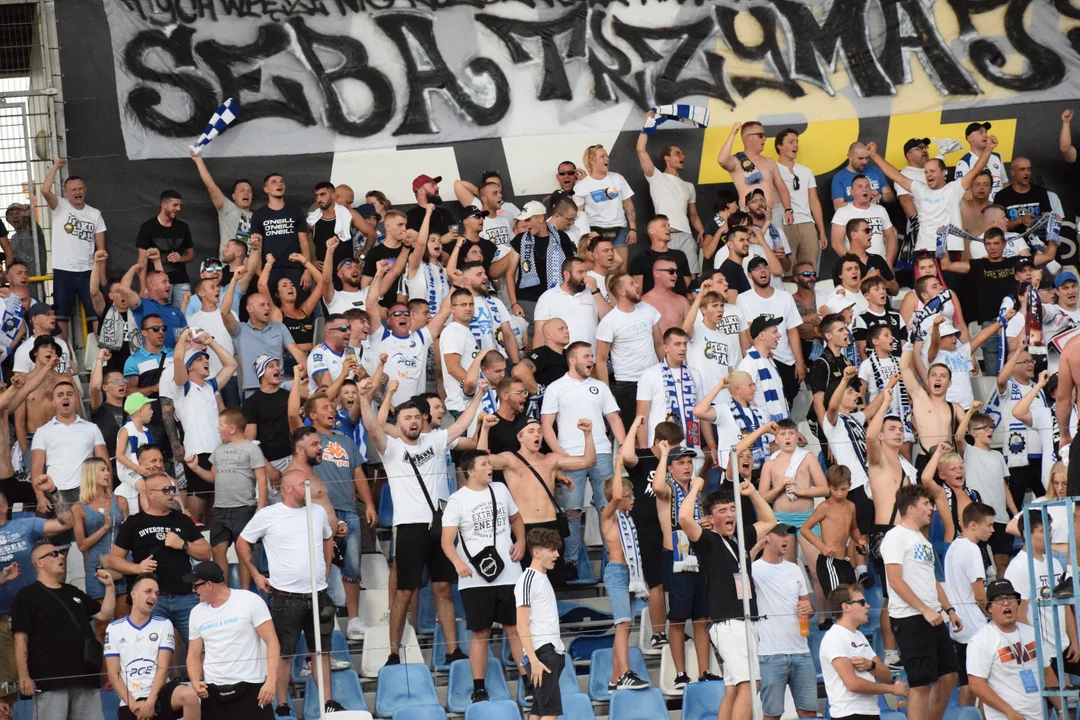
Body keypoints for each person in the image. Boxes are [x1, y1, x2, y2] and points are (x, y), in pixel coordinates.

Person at [358, 380, 485, 665]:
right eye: (407, 417)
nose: (413, 421)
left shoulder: (436, 439)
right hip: (409, 526)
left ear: (423, 419)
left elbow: (462, 424)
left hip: (440, 526)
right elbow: (371, 427)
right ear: (398, 423)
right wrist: (366, 399)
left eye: (417, 416)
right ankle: (393, 652)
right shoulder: (390, 448)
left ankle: (452, 651)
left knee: (443, 588)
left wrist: (479, 396)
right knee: (404, 591)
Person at [237, 468, 341, 714]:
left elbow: (328, 538)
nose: (308, 488)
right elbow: (242, 541)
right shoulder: (268, 515)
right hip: (285, 597)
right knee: (284, 653)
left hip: (319, 595)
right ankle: (283, 704)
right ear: (286, 489)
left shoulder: (317, 512)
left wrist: (326, 568)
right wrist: (255, 574)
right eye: (301, 484)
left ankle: (327, 703)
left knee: (322, 651)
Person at [678, 477, 777, 720]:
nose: (730, 514)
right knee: (749, 684)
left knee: (733, 687)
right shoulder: (707, 540)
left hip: (744, 620)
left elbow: (770, 521)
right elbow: (684, 519)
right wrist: (695, 490)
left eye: (732, 509)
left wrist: (753, 493)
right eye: (722, 511)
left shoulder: (740, 538)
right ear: (711, 519)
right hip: (728, 621)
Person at [441, 447, 529, 703]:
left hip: (510, 573)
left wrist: (521, 540)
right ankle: (478, 687)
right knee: (480, 632)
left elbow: (516, 518)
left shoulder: (500, 490)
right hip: (475, 578)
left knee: (516, 628)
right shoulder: (457, 500)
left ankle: (528, 680)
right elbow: (447, 541)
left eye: (490, 464)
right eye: (484, 465)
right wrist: (458, 564)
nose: (490, 468)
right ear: (470, 470)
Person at [541, 341, 625, 576]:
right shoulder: (555, 388)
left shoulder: (600, 386)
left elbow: (614, 419)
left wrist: (626, 446)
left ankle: (614, 560)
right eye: (586, 356)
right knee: (571, 511)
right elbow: (546, 423)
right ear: (572, 359)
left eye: (591, 356)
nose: (591, 360)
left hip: (602, 453)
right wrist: (559, 453)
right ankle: (571, 563)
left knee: (608, 508)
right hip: (570, 455)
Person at [483, 417, 595, 588]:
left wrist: (587, 434)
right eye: (531, 431)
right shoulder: (510, 459)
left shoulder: (550, 459)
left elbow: (588, 461)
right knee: (524, 585)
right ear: (520, 437)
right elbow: (482, 460)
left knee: (553, 584)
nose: (537, 434)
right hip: (523, 528)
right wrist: (484, 430)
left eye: (539, 431)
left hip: (550, 527)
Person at [880, 485, 961, 720]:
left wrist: (950, 609)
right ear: (911, 508)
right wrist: (924, 610)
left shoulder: (922, 540)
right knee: (920, 683)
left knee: (949, 675)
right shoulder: (895, 536)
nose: (931, 509)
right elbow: (894, 581)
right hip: (910, 618)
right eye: (926, 504)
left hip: (932, 614)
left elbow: (932, 580)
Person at [13, 541, 115, 720]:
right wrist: (24, 676)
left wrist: (110, 586)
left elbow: (104, 614)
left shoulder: (72, 591)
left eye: (60, 553)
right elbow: (20, 638)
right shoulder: (26, 595)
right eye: (53, 554)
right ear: (39, 563)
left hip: (85, 677)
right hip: (50, 681)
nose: (61, 556)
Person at [110, 473, 211, 646]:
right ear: (150, 493)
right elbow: (113, 560)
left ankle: (194, 675)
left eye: (172, 489)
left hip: (185, 595)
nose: (172, 494)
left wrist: (183, 545)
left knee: (200, 647)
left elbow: (206, 552)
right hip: (151, 597)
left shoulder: (182, 520)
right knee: (152, 650)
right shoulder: (134, 523)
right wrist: (137, 569)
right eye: (166, 490)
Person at [867, 137, 996, 254]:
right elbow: (895, 175)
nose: (928, 174)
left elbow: (975, 170)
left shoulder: (954, 188)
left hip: (949, 247)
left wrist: (988, 149)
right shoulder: (920, 189)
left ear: (943, 172)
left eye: (933, 171)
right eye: (926, 172)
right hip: (924, 248)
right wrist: (873, 154)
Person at [186, 561, 279, 720]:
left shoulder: (250, 600)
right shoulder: (196, 613)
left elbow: (272, 642)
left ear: (209, 584)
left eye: (195, 586)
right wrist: (195, 681)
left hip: (250, 687)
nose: (193, 591)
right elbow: (193, 654)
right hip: (213, 692)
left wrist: (271, 681)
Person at [186, 408, 266, 591]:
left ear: (232, 428)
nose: (217, 428)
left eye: (220, 424)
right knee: (218, 550)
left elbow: (262, 478)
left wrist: (261, 506)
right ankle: (224, 590)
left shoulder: (251, 449)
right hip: (220, 508)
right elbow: (213, 477)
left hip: (243, 507)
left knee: (243, 551)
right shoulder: (219, 449)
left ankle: (245, 592)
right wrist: (196, 468)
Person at [652, 444, 712, 689]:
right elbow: (656, 486)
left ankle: (704, 671)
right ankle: (680, 674)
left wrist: (705, 523)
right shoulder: (668, 488)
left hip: (698, 557)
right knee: (677, 618)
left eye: (689, 462)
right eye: (681, 462)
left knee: (701, 618)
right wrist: (664, 454)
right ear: (670, 468)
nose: (687, 466)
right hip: (675, 559)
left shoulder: (694, 491)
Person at [620, 420, 682, 652]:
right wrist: (635, 423)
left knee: (675, 579)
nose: (675, 451)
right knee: (656, 581)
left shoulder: (676, 461)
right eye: (672, 446)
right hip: (646, 528)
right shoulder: (644, 456)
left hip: (672, 526)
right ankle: (658, 633)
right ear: (660, 442)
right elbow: (626, 454)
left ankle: (676, 630)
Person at [105, 573, 201, 720]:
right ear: (134, 594)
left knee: (189, 695)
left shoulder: (163, 624)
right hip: (130, 699)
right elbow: (113, 674)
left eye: (156, 593)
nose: (154, 597)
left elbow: (163, 668)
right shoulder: (114, 628)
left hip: (160, 693)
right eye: (148, 591)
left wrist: (150, 702)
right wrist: (133, 704)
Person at [598, 434, 652, 691]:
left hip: (631, 574)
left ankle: (614, 678)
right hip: (617, 572)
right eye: (628, 496)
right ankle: (625, 674)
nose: (632, 499)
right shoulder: (608, 515)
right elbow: (617, 495)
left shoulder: (629, 520)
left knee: (625, 626)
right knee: (622, 625)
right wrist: (618, 464)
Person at [967, 578, 1061, 720]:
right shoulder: (980, 641)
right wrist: (1009, 712)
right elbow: (976, 684)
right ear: (989, 608)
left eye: (1010, 598)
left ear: (1017, 604)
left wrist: (1061, 710)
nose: (1006, 602)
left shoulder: (1032, 633)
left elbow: (1047, 673)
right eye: (998, 599)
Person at [1003, 510, 1079, 681]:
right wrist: (1035, 649)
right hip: (1042, 649)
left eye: (1050, 529)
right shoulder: (1018, 568)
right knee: (1050, 703)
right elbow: (1019, 616)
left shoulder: (1053, 563)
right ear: (1025, 534)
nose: (1049, 535)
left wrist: (1074, 640)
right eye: (1043, 531)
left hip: (1063, 645)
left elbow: (1065, 605)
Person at [753, 522, 818, 720]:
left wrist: (809, 609)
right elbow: (736, 568)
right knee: (772, 714)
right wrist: (756, 546)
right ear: (766, 538)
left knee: (809, 712)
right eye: (780, 534)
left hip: (801, 650)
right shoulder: (753, 569)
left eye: (787, 534)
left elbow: (808, 607)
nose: (786, 538)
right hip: (770, 653)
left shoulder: (794, 569)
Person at [819, 584, 909, 719]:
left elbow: (887, 676)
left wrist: (871, 665)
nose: (867, 606)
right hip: (848, 714)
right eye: (861, 602)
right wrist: (891, 689)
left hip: (870, 711)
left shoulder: (859, 636)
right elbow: (853, 684)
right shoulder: (835, 637)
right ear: (846, 607)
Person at [40, 158, 105, 338]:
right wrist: (55, 167)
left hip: (88, 271)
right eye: (73, 189)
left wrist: (102, 276)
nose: (77, 192)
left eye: (80, 189)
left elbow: (101, 251)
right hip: (63, 270)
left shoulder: (94, 214)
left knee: (97, 314)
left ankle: (102, 356)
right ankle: (64, 358)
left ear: (85, 190)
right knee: (60, 317)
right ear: (66, 192)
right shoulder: (61, 206)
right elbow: (45, 190)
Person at [30, 380, 109, 522]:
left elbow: (105, 463)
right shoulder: (42, 432)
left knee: (89, 537)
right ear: (53, 402)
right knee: (61, 542)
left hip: (87, 490)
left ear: (76, 399)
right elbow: (36, 470)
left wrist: (107, 493)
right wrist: (40, 497)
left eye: (69, 394)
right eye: (60, 395)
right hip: (54, 492)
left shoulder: (92, 428)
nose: (65, 398)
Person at [636, 113, 705, 273]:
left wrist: (701, 230)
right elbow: (640, 150)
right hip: (665, 236)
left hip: (687, 236)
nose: (683, 156)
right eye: (678, 153)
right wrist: (647, 124)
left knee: (691, 276)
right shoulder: (656, 177)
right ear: (667, 158)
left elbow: (693, 215)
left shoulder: (689, 186)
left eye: (682, 154)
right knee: (666, 277)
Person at [222, 270, 307, 397]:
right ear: (250, 309)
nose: (268, 308)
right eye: (262, 305)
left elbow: (297, 352)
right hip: (254, 389)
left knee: (309, 388)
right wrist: (234, 281)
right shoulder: (240, 329)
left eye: (268, 304)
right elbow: (224, 312)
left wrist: (305, 374)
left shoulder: (279, 327)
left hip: (280, 385)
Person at [943, 501, 995, 707]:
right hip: (976, 627)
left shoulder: (953, 547)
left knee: (965, 684)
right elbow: (980, 595)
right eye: (989, 525)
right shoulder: (972, 550)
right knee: (985, 685)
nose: (992, 529)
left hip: (960, 628)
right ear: (973, 525)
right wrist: (991, 615)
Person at [736, 256, 805, 407]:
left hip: (786, 361)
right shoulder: (743, 299)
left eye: (765, 267)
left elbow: (792, 331)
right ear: (749, 275)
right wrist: (762, 351)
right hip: (763, 360)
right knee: (766, 405)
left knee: (787, 405)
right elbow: (749, 331)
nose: (762, 271)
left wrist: (799, 362)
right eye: (756, 268)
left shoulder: (785, 297)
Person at [595, 272, 661, 428]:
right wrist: (607, 395)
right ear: (622, 292)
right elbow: (601, 359)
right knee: (634, 432)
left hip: (654, 378)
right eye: (632, 283)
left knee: (658, 428)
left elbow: (659, 343)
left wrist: (666, 372)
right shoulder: (609, 321)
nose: (637, 285)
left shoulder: (648, 310)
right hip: (628, 384)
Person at [515, 527, 566, 720]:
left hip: (548, 652)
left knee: (539, 711)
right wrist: (534, 660)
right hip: (542, 653)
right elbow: (521, 624)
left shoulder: (541, 578)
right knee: (549, 714)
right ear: (537, 553)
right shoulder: (527, 580)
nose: (556, 554)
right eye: (552, 550)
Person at [636, 327, 704, 465]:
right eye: (677, 344)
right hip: (661, 450)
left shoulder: (695, 374)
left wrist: (711, 444)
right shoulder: (650, 374)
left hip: (691, 449)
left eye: (685, 344)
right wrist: (644, 451)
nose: (683, 348)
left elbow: (702, 412)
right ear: (666, 348)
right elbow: (641, 417)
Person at [73, 458, 128, 626]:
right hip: (97, 569)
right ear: (91, 474)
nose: (107, 473)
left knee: (123, 623)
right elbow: (82, 545)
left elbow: (128, 534)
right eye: (102, 470)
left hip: (122, 565)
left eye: (108, 470)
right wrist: (104, 527)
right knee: (101, 627)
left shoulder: (120, 501)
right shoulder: (78, 507)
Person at [500, 201, 578, 319]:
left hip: (557, 298)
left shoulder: (561, 237)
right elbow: (510, 274)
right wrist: (514, 303)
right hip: (528, 301)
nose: (524, 224)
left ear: (540, 218)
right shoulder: (520, 239)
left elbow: (571, 269)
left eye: (528, 220)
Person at [802, 466, 866, 603]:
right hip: (829, 561)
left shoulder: (851, 506)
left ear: (850, 485)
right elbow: (805, 529)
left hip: (845, 561)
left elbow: (853, 528)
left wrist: (860, 540)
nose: (839, 494)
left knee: (853, 601)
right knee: (840, 603)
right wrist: (822, 546)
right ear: (829, 486)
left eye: (843, 489)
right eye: (834, 489)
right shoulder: (825, 507)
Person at [681, 278, 749, 396]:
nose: (720, 310)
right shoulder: (697, 329)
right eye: (715, 306)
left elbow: (729, 371)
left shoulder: (726, 338)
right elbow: (685, 330)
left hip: (724, 398)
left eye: (722, 306)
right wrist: (700, 295)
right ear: (703, 310)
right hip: (701, 396)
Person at [249, 172, 312, 297]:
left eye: (281, 181)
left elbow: (304, 242)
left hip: (295, 269)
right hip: (271, 269)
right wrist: (260, 274)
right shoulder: (259, 215)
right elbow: (256, 247)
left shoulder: (295, 211)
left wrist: (307, 270)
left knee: (299, 309)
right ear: (266, 189)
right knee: (272, 312)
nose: (279, 184)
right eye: (274, 182)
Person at [573, 144, 636, 266]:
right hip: (595, 230)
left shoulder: (618, 178)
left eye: (607, 156)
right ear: (592, 160)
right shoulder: (581, 186)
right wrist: (585, 237)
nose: (607, 159)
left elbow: (629, 205)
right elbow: (579, 215)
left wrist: (633, 228)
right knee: (599, 268)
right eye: (602, 156)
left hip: (619, 229)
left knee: (621, 269)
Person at [773, 128, 828, 269]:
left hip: (807, 224)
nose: (796, 145)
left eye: (797, 142)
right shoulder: (772, 169)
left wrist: (821, 231)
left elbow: (814, 201)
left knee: (809, 270)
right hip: (784, 224)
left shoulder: (806, 171)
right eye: (791, 142)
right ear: (779, 146)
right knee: (786, 270)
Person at [717, 121, 791, 216]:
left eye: (764, 135)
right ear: (747, 138)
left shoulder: (770, 162)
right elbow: (722, 160)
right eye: (760, 135)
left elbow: (781, 187)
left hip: (774, 211)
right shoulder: (737, 161)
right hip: (750, 214)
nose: (764, 139)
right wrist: (733, 133)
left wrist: (788, 209)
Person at [137, 190, 195, 308]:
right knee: (160, 317)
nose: (178, 209)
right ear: (163, 205)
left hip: (181, 280)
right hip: (157, 283)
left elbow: (191, 255)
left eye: (179, 205)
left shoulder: (183, 227)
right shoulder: (148, 227)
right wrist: (143, 287)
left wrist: (181, 258)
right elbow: (142, 261)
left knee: (183, 316)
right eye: (175, 205)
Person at [190, 149, 252, 253]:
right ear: (233, 196)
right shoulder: (228, 208)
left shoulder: (259, 216)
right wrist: (199, 161)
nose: (246, 193)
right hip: (229, 267)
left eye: (249, 191)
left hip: (250, 268)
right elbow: (212, 187)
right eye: (242, 191)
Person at [532, 257, 598, 348]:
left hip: (590, 358)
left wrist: (595, 291)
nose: (585, 276)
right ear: (566, 275)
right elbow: (540, 333)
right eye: (580, 272)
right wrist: (538, 360)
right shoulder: (547, 297)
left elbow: (608, 318)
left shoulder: (593, 292)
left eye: (585, 272)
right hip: (560, 360)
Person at [830, 176, 897, 264]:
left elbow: (891, 236)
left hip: (881, 265)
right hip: (857, 267)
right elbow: (836, 242)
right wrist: (853, 262)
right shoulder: (842, 212)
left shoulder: (880, 210)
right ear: (851, 192)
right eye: (860, 186)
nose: (864, 189)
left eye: (867, 186)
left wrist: (888, 262)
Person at [628, 216, 693, 296]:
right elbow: (637, 293)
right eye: (664, 226)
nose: (669, 228)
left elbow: (690, 288)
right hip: (653, 305)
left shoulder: (680, 255)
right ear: (651, 231)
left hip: (681, 304)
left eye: (668, 225)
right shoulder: (640, 259)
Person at [831, 142, 894, 208]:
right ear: (850, 156)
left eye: (866, 158)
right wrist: (863, 201)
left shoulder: (875, 170)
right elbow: (838, 206)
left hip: (877, 215)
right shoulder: (839, 177)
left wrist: (881, 196)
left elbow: (891, 198)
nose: (864, 162)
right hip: (854, 216)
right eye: (860, 158)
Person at [955, 121, 1008, 200]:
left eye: (986, 132)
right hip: (979, 210)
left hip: (999, 208)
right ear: (969, 138)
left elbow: (1005, 184)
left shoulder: (997, 157)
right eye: (980, 133)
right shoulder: (964, 162)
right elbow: (963, 192)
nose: (985, 135)